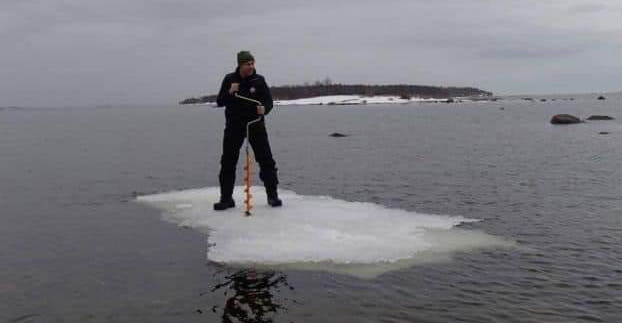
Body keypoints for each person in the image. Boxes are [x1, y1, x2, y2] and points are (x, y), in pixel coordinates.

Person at [214, 51, 282, 210]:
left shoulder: (259, 80)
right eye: (247, 64)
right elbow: (219, 101)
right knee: (228, 162)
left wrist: (264, 109)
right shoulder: (229, 79)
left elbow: (269, 102)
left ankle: (272, 196)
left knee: (266, 161)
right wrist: (230, 92)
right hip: (234, 126)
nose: (251, 67)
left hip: (255, 125)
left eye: (252, 63)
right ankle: (226, 199)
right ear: (240, 65)